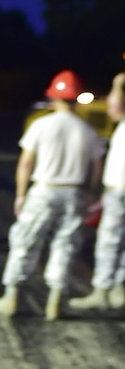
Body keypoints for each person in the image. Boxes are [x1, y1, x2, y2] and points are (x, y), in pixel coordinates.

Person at [0, 71, 105, 320]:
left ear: (53, 98)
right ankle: (54, 302)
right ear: (75, 99)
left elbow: (25, 162)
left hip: (44, 190)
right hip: (73, 192)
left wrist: (20, 195)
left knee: (25, 242)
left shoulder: (41, 125)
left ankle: (11, 297)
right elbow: (97, 165)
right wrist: (88, 193)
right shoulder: (87, 130)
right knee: (65, 245)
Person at [69, 72, 125, 313]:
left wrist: (117, 83)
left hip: (119, 191)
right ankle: (118, 289)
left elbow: (114, 107)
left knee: (108, 242)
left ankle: (102, 291)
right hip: (116, 190)